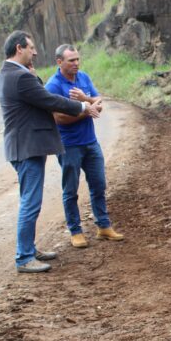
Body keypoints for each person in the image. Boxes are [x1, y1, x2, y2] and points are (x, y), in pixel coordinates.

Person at [0, 31, 100, 273]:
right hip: (27, 147)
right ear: (19, 48)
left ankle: (29, 249)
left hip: (24, 146)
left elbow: (37, 97)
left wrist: (33, 76)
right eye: (31, 48)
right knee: (30, 203)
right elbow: (50, 100)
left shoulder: (11, 74)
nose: (34, 52)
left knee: (29, 200)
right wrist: (83, 105)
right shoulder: (19, 77)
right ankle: (24, 257)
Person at [45, 44, 124, 248]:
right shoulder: (53, 86)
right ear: (59, 62)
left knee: (99, 184)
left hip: (91, 142)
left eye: (78, 59)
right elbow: (58, 118)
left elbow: (98, 100)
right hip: (68, 145)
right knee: (70, 190)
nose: (76, 64)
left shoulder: (83, 77)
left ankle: (103, 226)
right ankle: (76, 231)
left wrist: (85, 100)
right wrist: (86, 110)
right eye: (71, 60)